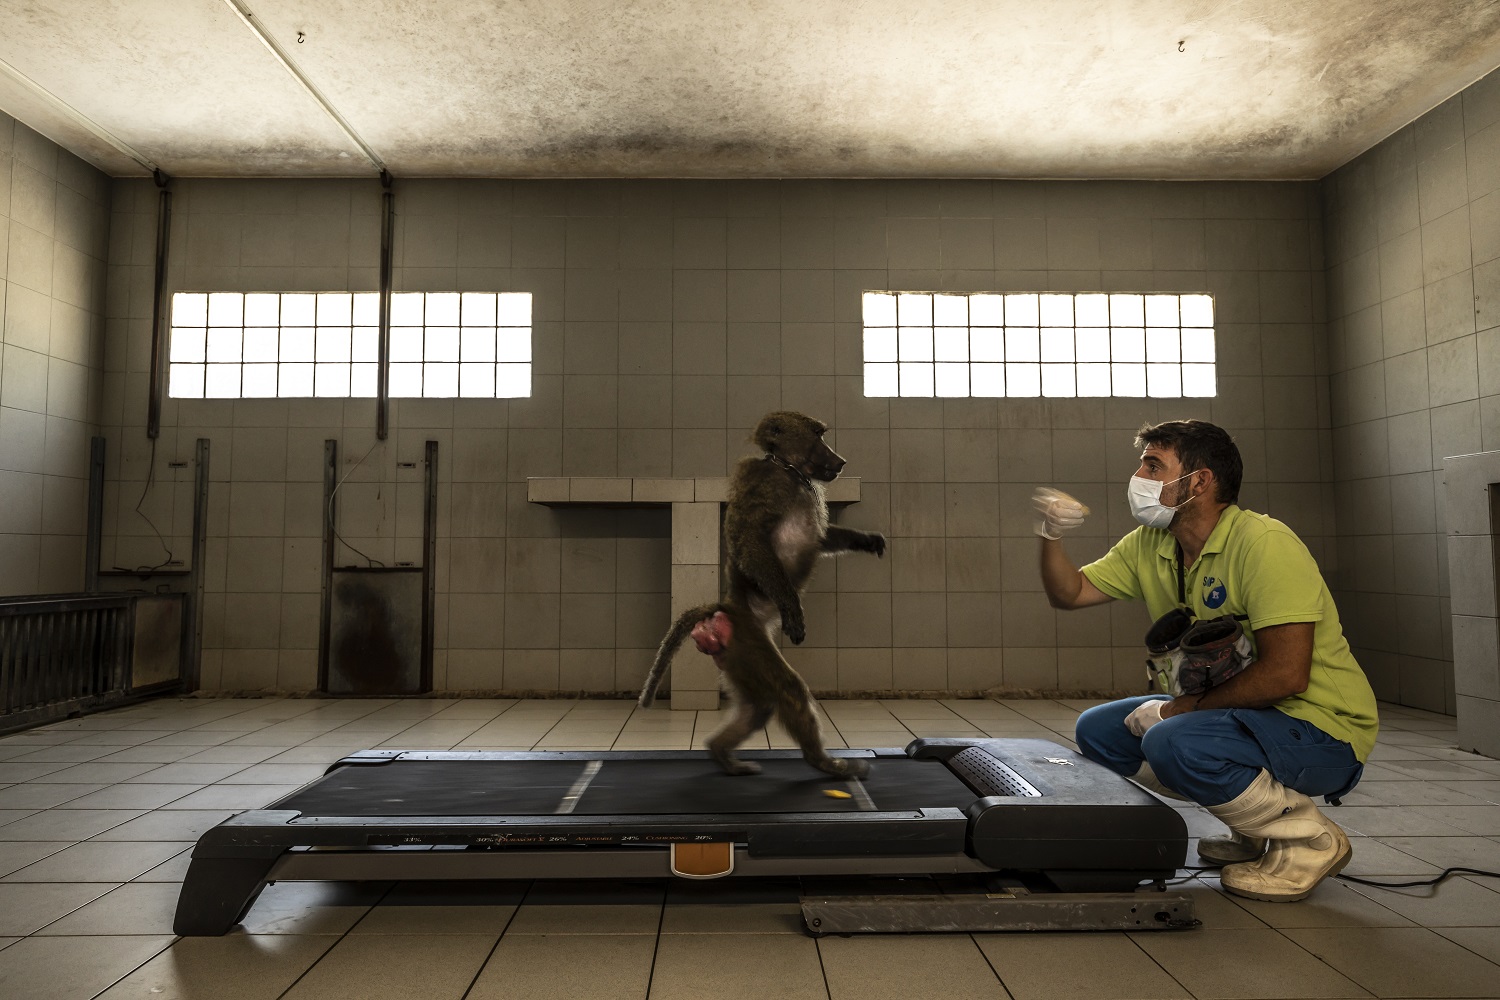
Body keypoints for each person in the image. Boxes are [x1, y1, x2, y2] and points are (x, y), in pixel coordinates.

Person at [1033, 419, 1378, 902]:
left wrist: (1178, 709)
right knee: (1102, 730)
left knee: (1175, 739)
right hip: (1245, 715)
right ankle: (1255, 830)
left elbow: (1286, 674)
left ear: (1199, 481)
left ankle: (1310, 841)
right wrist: (1051, 536)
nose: (1139, 476)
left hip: (1320, 728)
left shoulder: (1264, 543)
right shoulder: (1153, 545)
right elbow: (1070, 594)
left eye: (1154, 465)